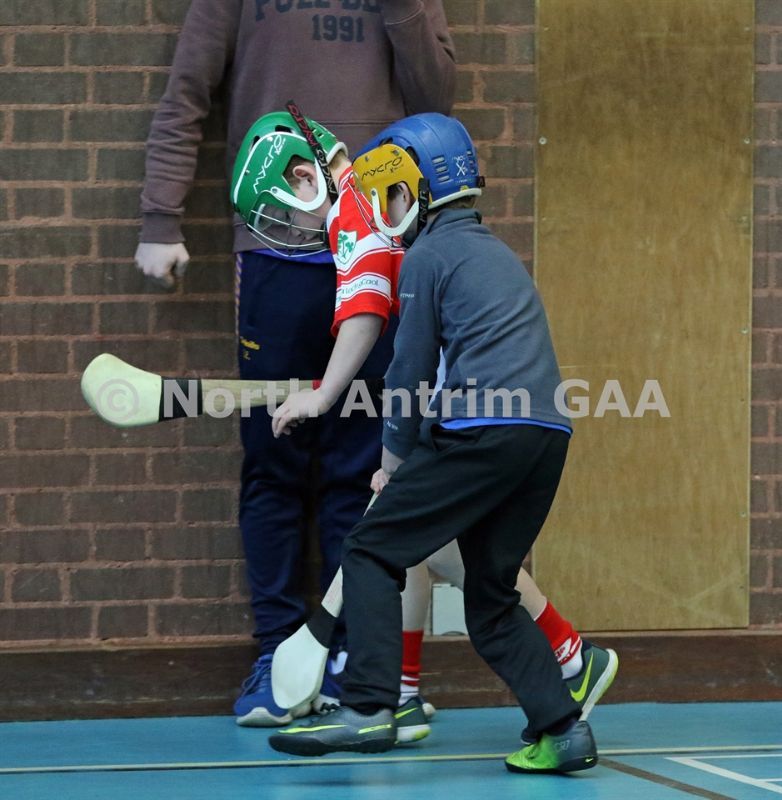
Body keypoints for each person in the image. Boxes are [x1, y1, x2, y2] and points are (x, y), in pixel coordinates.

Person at [232, 111, 615, 759]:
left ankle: (369, 708)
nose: (384, 205)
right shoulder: (494, 252)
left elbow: (406, 373)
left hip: (479, 429)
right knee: (490, 597)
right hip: (545, 437)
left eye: (392, 193)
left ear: (417, 191)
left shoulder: (427, 258)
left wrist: (392, 463)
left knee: (370, 550)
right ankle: (563, 729)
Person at [133, 0, 456, 727]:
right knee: (272, 461)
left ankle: (346, 658)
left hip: (375, 248)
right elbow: (187, 92)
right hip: (273, 252)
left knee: (361, 468)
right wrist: (161, 216)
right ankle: (278, 655)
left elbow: (436, 98)